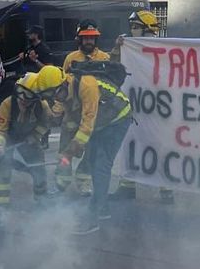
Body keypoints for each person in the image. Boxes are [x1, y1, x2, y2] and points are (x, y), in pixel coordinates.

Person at [32, 63, 131, 235]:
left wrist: (70, 152)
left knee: (101, 165)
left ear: (63, 84)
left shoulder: (87, 86)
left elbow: (87, 125)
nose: (56, 99)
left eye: (55, 94)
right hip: (101, 122)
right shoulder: (66, 92)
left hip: (117, 119)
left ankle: (93, 218)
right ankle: (103, 207)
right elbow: (71, 121)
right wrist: (68, 150)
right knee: (92, 161)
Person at [110, 10, 173, 203]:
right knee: (131, 144)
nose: (132, 31)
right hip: (135, 107)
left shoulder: (164, 49)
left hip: (158, 110)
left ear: (147, 29)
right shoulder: (129, 48)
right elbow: (113, 68)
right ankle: (127, 186)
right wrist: (117, 49)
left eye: (136, 27)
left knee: (159, 147)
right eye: (132, 27)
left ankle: (166, 189)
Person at [0, 72, 54, 226]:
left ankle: (41, 199)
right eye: (21, 92)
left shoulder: (42, 107)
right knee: (3, 171)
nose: (23, 98)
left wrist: (35, 136)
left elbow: (46, 123)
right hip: (9, 138)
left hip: (29, 139)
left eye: (28, 95)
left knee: (38, 167)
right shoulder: (8, 104)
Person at [57, 20, 111, 195]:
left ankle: (84, 182)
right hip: (72, 112)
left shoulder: (105, 58)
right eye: (86, 38)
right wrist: (57, 110)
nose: (89, 41)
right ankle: (62, 181)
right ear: (79, 39)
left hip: (95, 113)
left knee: (90, 152)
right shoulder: (71, 59)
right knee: (65, 149)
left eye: (92, 38)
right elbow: (63, 86)